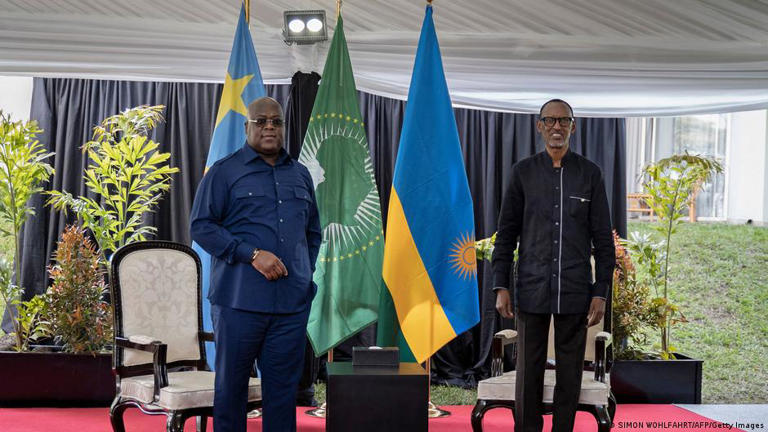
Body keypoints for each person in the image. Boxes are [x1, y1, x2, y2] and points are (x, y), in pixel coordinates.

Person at [190, 97, 321, 432]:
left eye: (276, 121)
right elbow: (202, 227)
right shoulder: (224, 172)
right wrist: (251, 254)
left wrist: (302, 275)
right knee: (231, 390)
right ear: (246, 126)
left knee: (282, 394)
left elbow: (312, 233)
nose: (269, 127)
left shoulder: (300, 174)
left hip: (290, 307)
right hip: (238, 305)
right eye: (261, 121)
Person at [492, 99, 615, 432]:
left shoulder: (590, 174)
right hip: (532, 287)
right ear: (540, 126)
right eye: (550, 120)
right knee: (528, 372)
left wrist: (600, 292)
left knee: (570, 372)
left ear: (573, 126)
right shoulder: (523, 173)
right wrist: (501, 285)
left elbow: (604, 241)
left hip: (575, 290)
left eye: (563, 121)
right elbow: (506, 235)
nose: (557, 126)